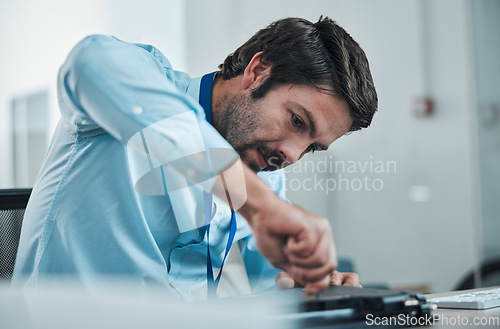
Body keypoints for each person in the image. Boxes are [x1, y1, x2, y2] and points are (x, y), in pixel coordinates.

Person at [12, 16, 377, 301]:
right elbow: (88, 62)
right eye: (297, 121)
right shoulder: (146, 84)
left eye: (311, 147)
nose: (293, 154)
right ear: (257, 71)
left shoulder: (263, 171)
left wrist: (310, 286)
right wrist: (260, 205)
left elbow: (274, 283)